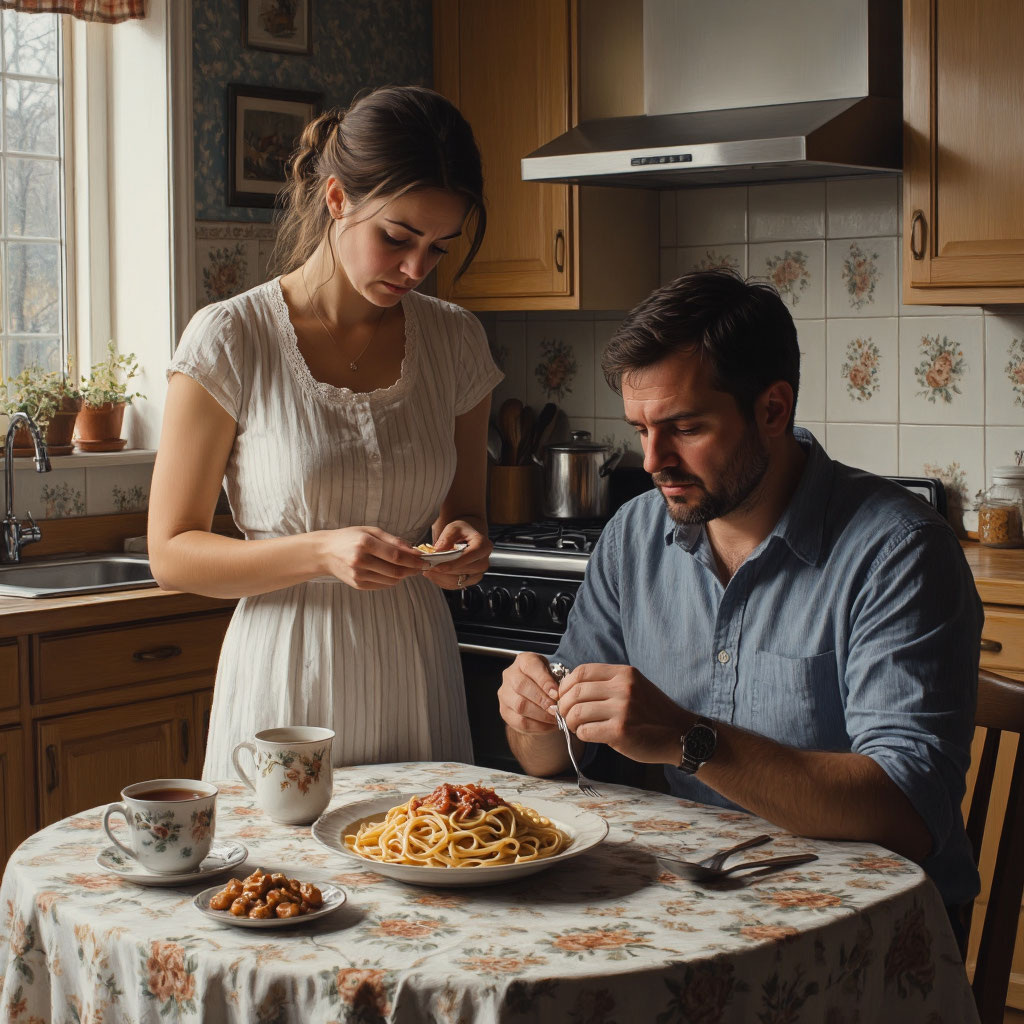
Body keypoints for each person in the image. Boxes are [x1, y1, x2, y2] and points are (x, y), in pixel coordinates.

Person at [498, 269, 981, 920]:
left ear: (773, 409)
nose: (652, 460)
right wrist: (532, 715)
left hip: (863, 928)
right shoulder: (635, 534)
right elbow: (548, 758)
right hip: (696, 897)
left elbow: (908, 812)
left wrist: (687, 738)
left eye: (685, 428)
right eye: (641, 430)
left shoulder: (900, 552)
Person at [149, 85, 501, 779]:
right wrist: (321, 552)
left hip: (415, 667)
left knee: (431, 864)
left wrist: (465, 543)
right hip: (286, 672)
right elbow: (172, 553)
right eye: (396, 238)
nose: (415, 269)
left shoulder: (456, 341)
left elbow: (463, 510)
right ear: (337, 200)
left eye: (438, 248)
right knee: (282, 885)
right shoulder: (232, 337)